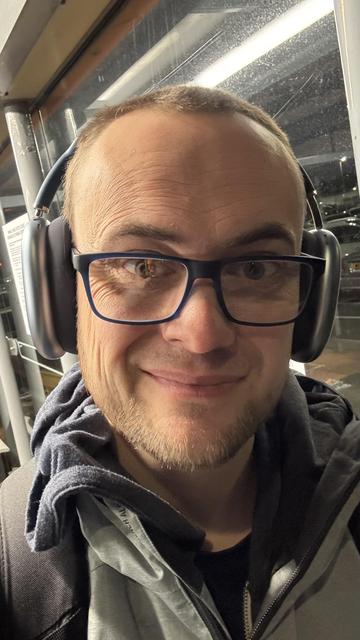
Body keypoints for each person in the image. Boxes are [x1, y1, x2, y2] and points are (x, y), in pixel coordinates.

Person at [1, 85, 360, 640]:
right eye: (142, 264)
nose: (202, 334)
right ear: (59, 296)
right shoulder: (11, 572)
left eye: (257, 268)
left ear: (310, 305)